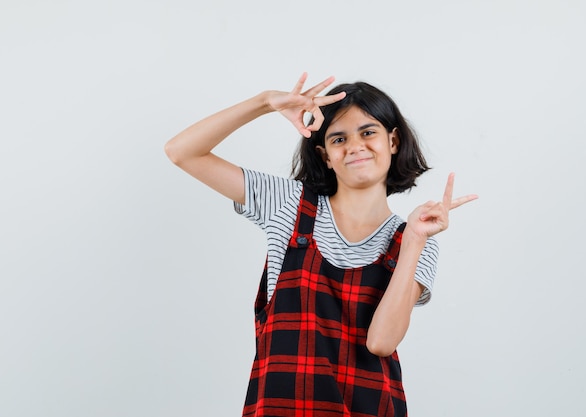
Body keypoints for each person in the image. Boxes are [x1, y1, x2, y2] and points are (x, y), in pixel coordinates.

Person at [164, 73, 477, 417]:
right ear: (325, 155)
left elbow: (381, 342)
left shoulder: (416, 239)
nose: (355, 146)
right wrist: (265, 101)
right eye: (338, 138)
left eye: (368, 132)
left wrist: (415, 239)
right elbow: (181, 152)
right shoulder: (286, 203)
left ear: (393, 141)